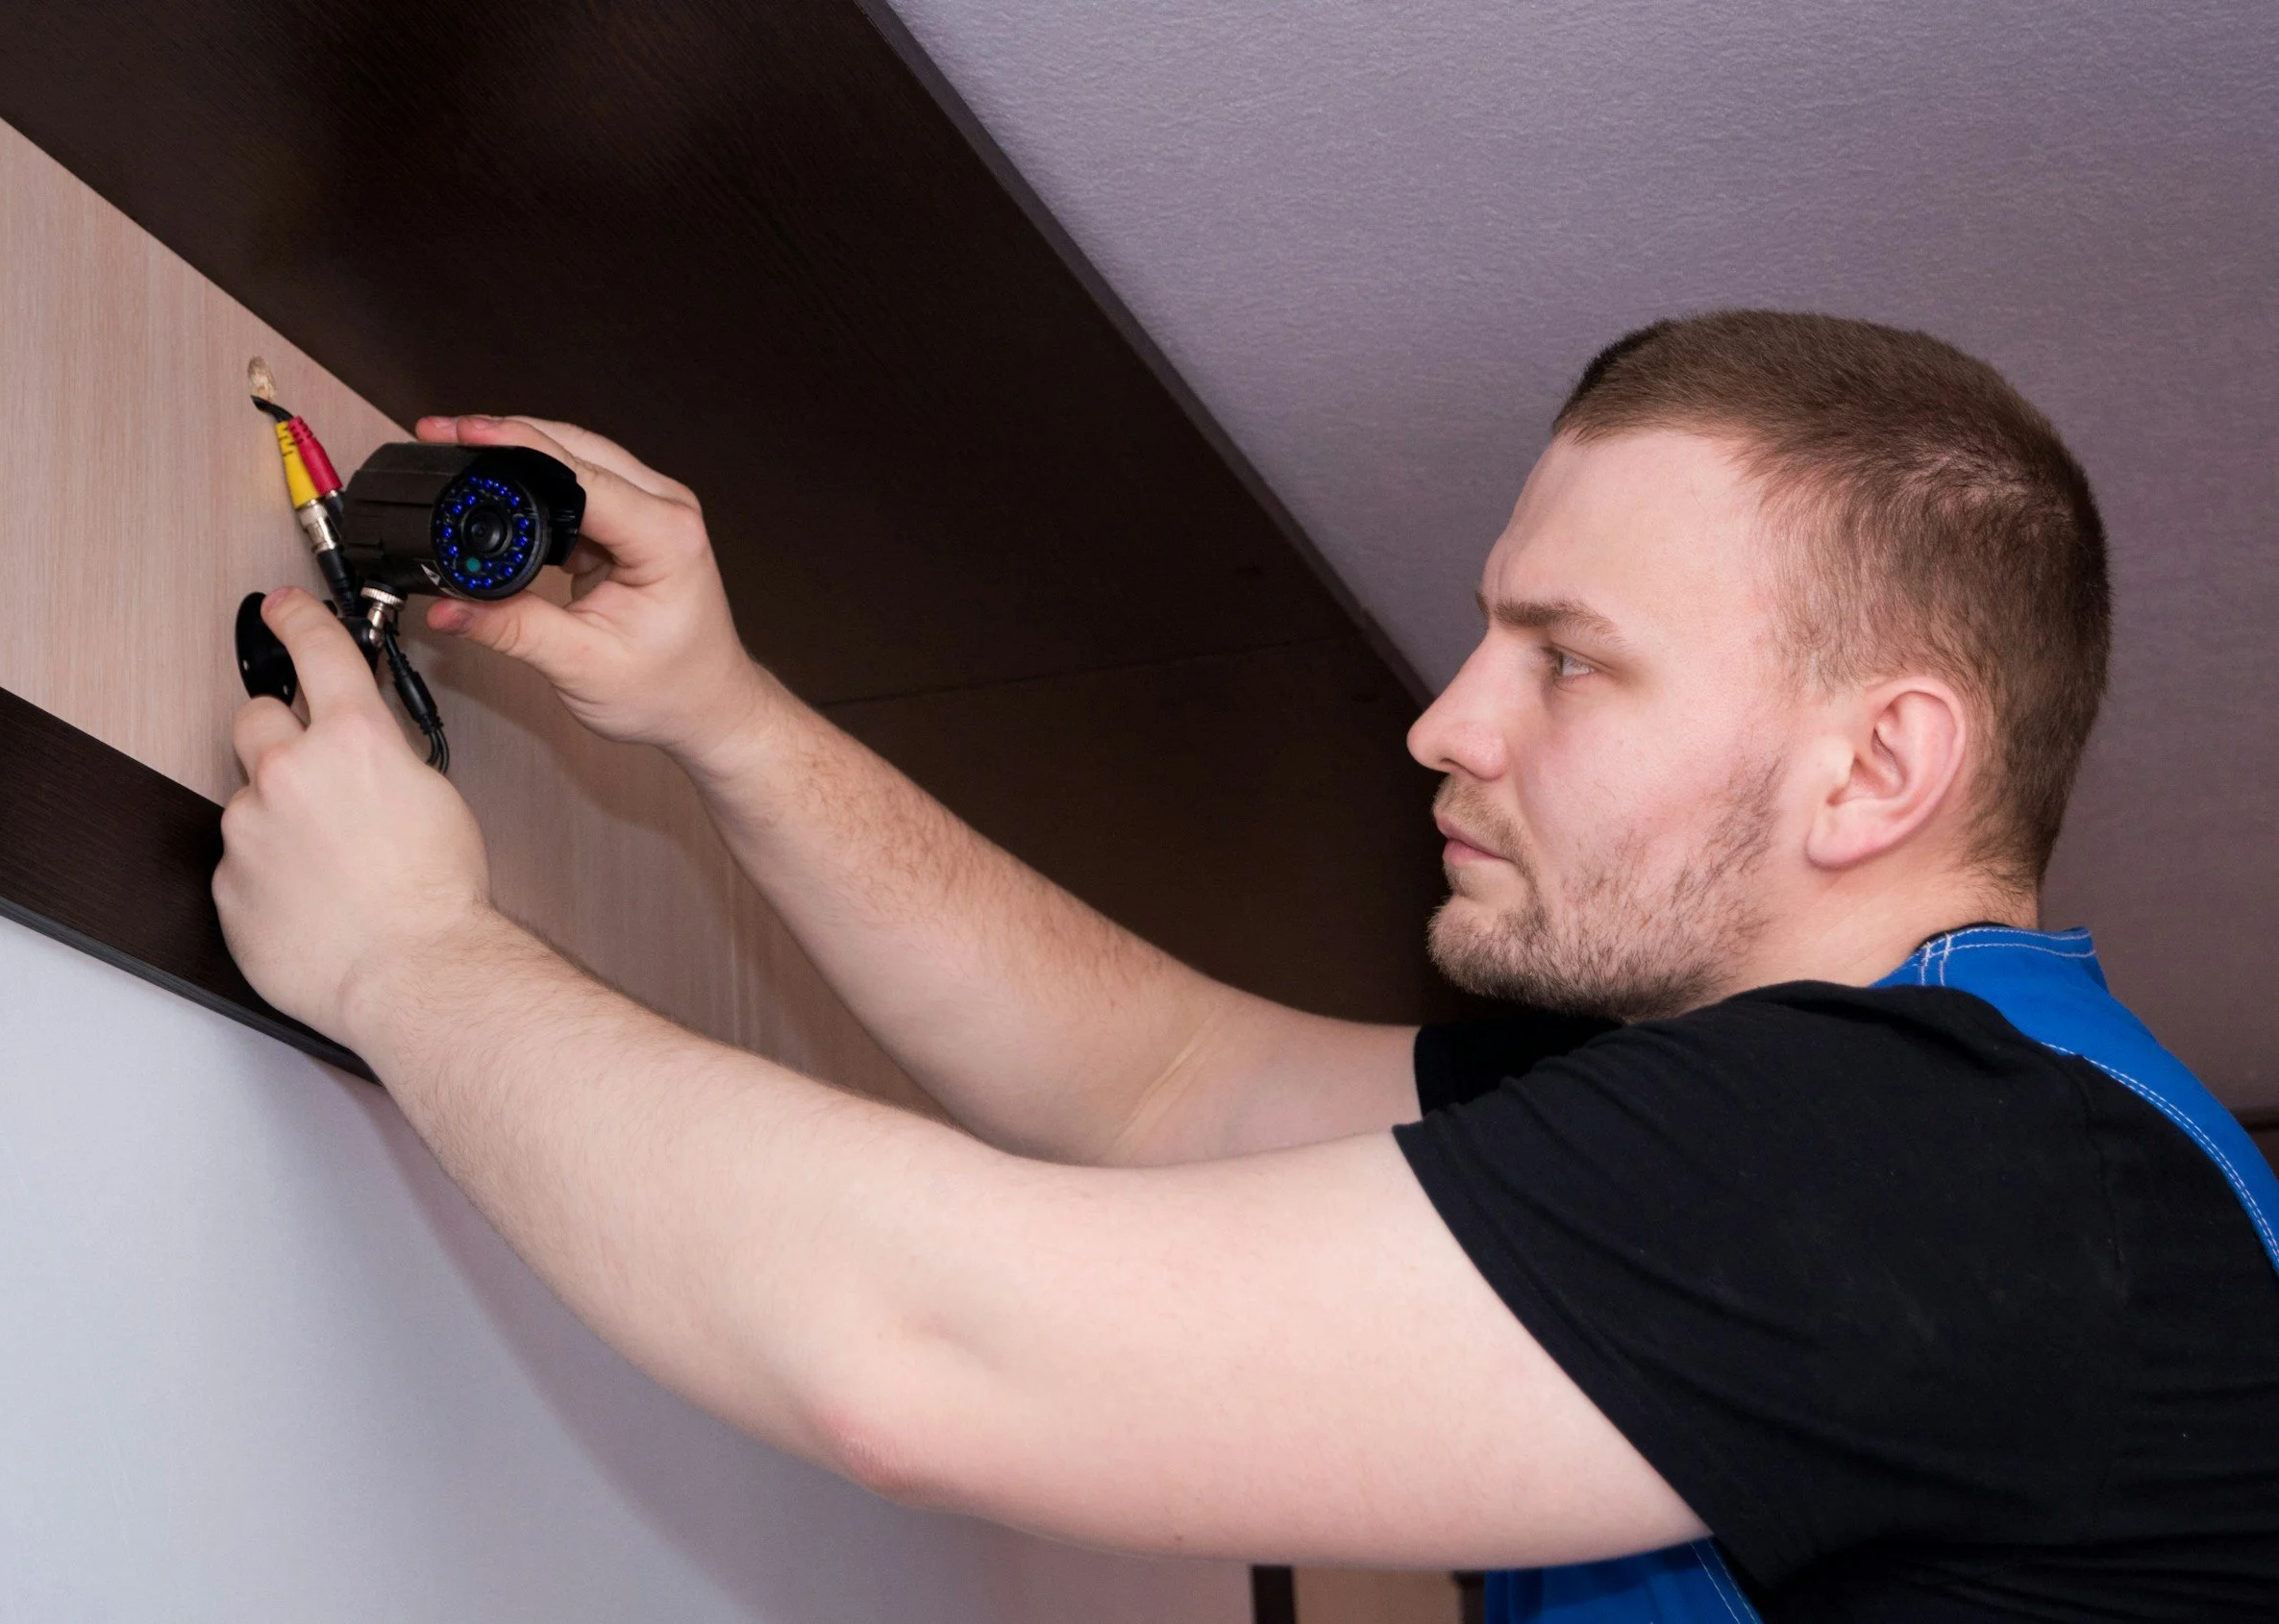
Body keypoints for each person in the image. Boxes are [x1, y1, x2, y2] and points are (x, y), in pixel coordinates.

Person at [211, 311, 2279, 1621]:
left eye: (1564, 658)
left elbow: (930, 1349)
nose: (1444, 719)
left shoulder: (1943, 1167)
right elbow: (1158, 1091)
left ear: (1877, 766)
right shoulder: (1887, 1135)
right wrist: (723, 712)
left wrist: (406, 955)